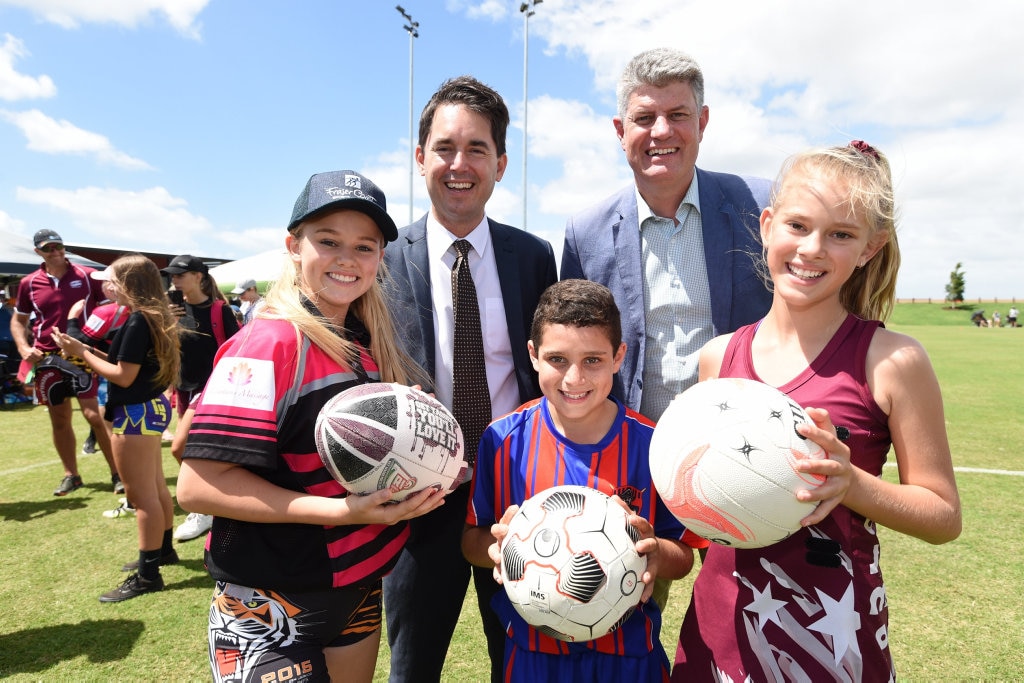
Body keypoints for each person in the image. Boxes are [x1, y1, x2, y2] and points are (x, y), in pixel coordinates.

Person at [671, 142, 962, 681]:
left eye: (841, 235)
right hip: (720, 633)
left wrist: (851, 483)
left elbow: (943, 516)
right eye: (798, 225)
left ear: (870, 248)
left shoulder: (892, 360)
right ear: (766, 224)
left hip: (832, 639)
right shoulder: (719, 358)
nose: (812, 249)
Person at [175, 169, 446, 682]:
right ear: (293, 246)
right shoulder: (268, 344)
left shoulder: (363, 347)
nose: (348, 259)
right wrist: (341, 512)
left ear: (379, 258)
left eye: (365, 246)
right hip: (270, 603)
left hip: (358, 590)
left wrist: (409, 429)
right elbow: (198, 485)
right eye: (328, 241)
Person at [560, 46, 773, 606]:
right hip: (638, 464)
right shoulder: (584, 231)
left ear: (702, 122)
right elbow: (576, 341)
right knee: (629, 616)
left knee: (750, 616)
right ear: (619, 129)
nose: (662, 131)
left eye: (678, 115)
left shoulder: (762, 205)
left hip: (746, 458)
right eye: (644, 117)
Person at [382, 75, 558, 683]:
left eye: (477, 149)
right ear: (420, 157)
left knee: (520, 661)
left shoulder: (534, 257)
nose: (460, 164)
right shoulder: (381, 258)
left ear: (501, 163)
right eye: (446, 148)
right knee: (413, 665)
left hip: (518, 494)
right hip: (417, 500)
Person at [462, 279, 694, 682]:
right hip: (533, 654)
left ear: (619, 356)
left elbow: (684, 555)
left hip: (629, 656)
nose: (574, 378)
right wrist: (499, 547)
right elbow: (471, 541)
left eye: (592, 360)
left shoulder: (653, 446)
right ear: (533, 355)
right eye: (557, 359)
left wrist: (655, 551)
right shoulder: (503, 440)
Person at [53, 255, 181, 601]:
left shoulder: (140, 320)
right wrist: (84, 350)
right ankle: (162, 552)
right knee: (154, 489)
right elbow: (124, 365)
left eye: (110, 280)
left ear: (128, 284)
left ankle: (148, 575)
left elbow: (123, 375)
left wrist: (81, 351)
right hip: (150, 408)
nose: (104, 285)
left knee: (141, 498)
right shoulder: (149, 316)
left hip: (135, 412)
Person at [10, 229, 118, 495]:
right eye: (49, 249)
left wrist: (95, 342)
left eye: (59, 246)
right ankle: (72, 475)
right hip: (47, 357)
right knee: (59, 419)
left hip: (82, 353)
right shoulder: (28, 283)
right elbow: (18, 321)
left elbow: (111, 309)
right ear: (39, 252)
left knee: (94, 415)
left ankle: (118, 473)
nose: (57, 252)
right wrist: (24, 348)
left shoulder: (87, 275)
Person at [160, 254, 240, 542]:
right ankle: (214, 504)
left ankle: (206, 506)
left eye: (180, 275)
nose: (174, 280)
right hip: (184, 389)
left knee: (179, 447)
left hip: (212, 390)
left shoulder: (221, 310)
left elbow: (238, 349)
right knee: (199, 451)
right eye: (172, 275)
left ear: (199, 276)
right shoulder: (172, 309)